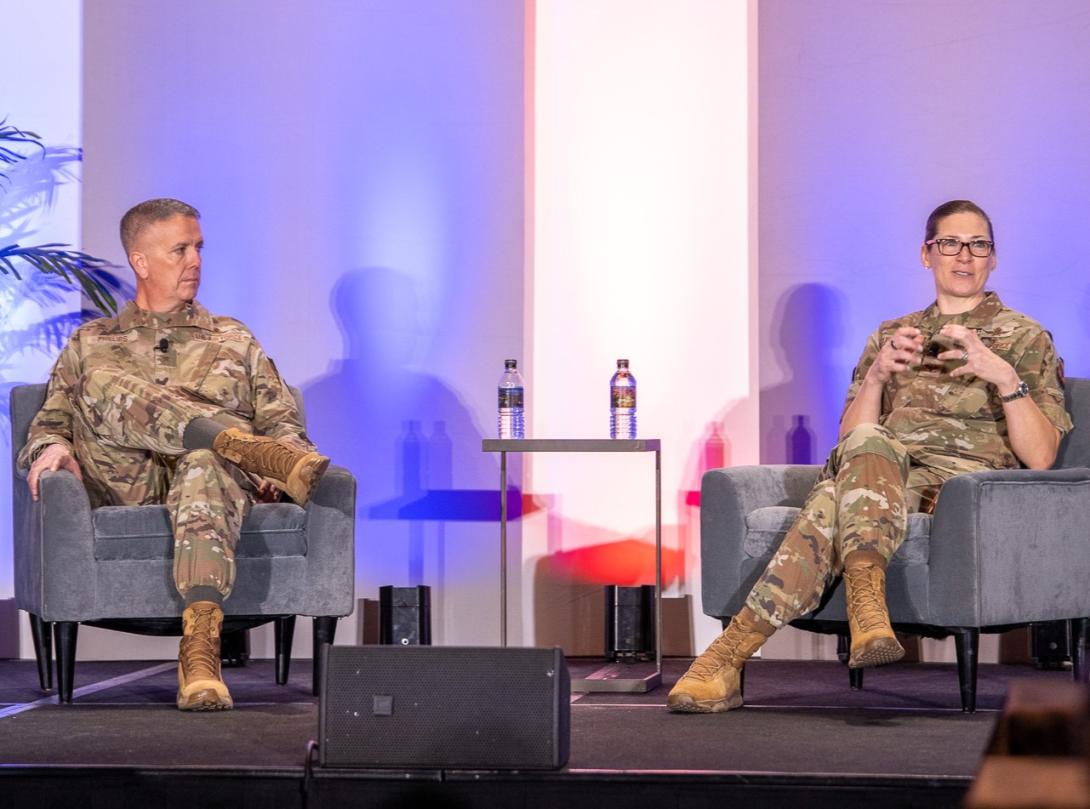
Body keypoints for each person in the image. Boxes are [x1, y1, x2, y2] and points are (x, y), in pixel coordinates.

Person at [668, 199, 1072, 713]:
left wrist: (1004, 378)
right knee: (864, 444)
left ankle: (725, 657)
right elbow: (850, 438)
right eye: (950, 243)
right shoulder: (891, 335)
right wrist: (879, 375)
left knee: (830, 505)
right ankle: (864, 606)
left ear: (994, 258)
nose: (964, 256)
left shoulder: (1025, 337)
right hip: (881, 470)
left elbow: (1041, 457)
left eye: (979, 245)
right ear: (927, 254)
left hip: (962, 490)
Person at [17, 198, 331, 712]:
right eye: (180, 249)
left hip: (213, 488)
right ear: (141, 261)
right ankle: (230, 440)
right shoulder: (91, 340)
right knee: (101, 381)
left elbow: (282, 426)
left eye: (199, 248)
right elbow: (51, 421)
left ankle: (201, 653)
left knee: (206, 461)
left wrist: (286, 464)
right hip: (122, 479)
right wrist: (51, 448)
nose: (196, 261)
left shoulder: (233, 338)